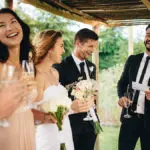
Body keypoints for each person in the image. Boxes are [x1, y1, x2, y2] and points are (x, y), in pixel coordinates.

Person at [54, 28, 99, 150]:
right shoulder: (60, 67)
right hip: (72, 126)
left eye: (94, 47)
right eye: (90, 46)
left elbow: (91, 90)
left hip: (91, 125)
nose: (92, 50)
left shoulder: (91, 67)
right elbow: (56, 98)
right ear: (78, 43)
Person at [0, 8, 37, 150]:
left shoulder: (27, 65)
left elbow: (27, 105)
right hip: (7, 136)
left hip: (28, 131)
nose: (9, 28)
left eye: (13, 22)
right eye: (1, 26)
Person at [32, 30, 74, 150]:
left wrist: (72, 108)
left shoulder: (55, 73)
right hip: (47, 136)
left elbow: (60, 106)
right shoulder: (35, 75)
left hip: (65, 130)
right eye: (61, 46)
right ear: (49, 48)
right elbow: (27, 112)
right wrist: (45, 117)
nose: (64, 50)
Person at [117, 24, 150, 150]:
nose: (149, 38)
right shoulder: (133, 59)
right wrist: (121, 97)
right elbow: (122, 83)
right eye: (148, 35)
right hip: (129, 118)